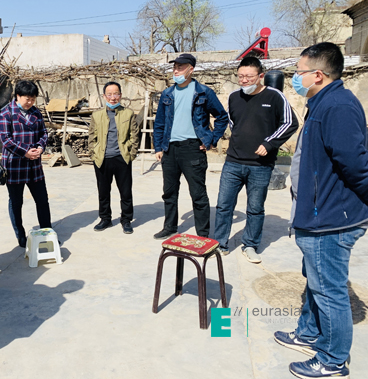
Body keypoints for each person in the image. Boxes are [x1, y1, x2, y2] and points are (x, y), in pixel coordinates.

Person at [273, 42, 368, 379]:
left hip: (330, 218)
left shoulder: (338, 106)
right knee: (315, 282)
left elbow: (356, 166)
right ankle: (309, 333)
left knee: (329, 291)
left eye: (298, 72)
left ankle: (332, 358)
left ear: (317, 74)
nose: (295, 78)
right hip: (316, 214)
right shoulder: (323, 102)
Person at [213, 57, 298, 263]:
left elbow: (290, 123)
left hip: (260, 165)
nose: (244, 80)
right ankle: (220, 243)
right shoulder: (234, 97)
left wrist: (269, 143)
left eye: (249, 77)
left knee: (255, 208)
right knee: (224, 205)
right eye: (240, 76)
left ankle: (250, 245)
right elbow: (233, 123)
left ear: (261, 76)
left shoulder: (274, 96)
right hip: (233, 162)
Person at [152, 53, 228, 240]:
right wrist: (158, 147)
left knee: (198, 194)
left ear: (190, 69)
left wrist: (211, 140)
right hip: (170, 149)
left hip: (192, 148)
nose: (176, 71)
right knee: (169, 192)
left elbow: (222, 117)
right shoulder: (168, 94)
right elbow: (159, 122)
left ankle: (202, 233)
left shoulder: (203, 92)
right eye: (174, 67)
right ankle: (170, 227)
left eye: (180, 67)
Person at [0, 80, 52, 247]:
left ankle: (47, 233)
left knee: (42, 200)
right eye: (27, 99)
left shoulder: (36, 112)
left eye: (33, 99)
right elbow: (6, 139)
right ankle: (20, 235)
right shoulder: (6, 113)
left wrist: (40, 147)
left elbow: (43, 133)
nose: (30, 102)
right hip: (15, 166)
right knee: (16, 202)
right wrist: (25, 152)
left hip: (34, 166)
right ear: (18, 96)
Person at [88, 81, 140, 234]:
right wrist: (93, 154)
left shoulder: (128, 113)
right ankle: (105, 218)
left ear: (120, 95)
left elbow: (134, 135)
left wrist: (131, 154)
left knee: (126, 192)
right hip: (102, 159)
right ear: (104, 96)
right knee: (103, 191)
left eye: (116, 94)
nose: (113, 98)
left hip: (121, 158)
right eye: (109, 94)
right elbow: (91, 137)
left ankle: (126, 220)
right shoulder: (97, 115)